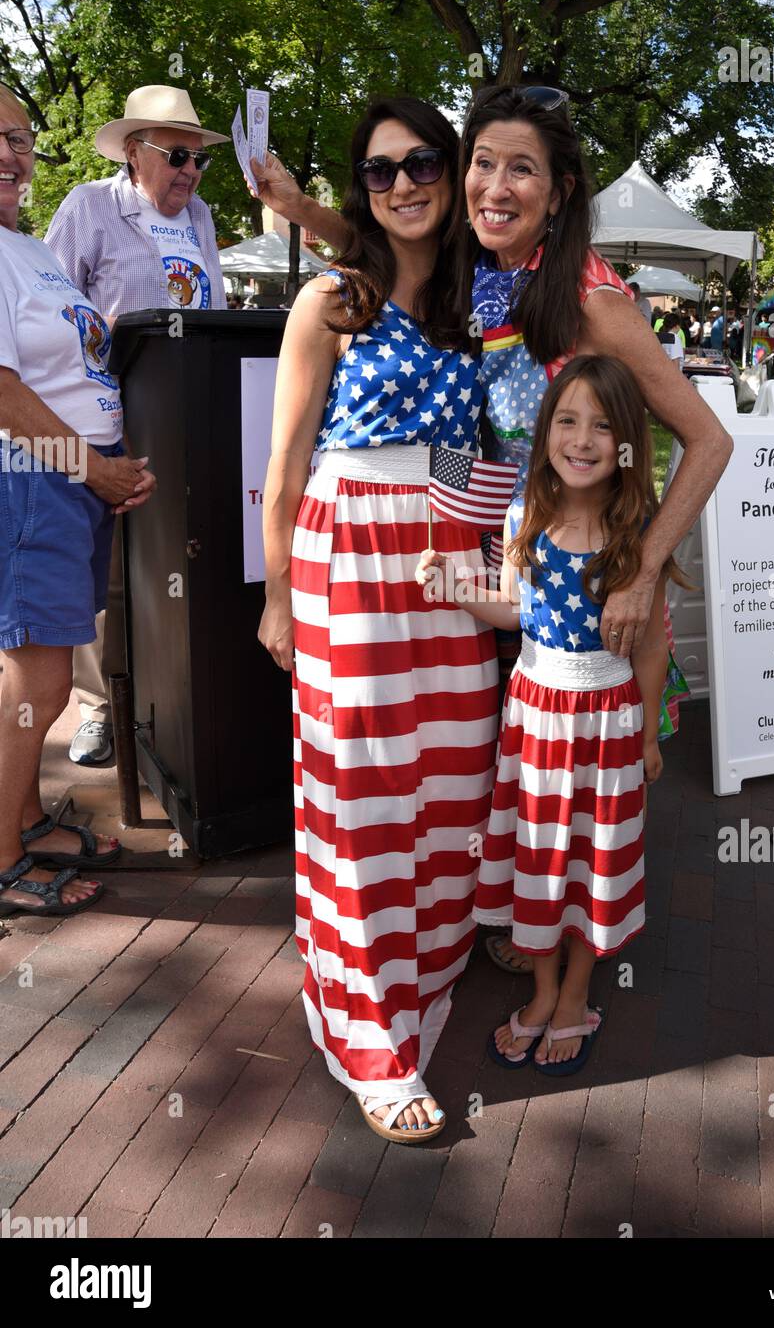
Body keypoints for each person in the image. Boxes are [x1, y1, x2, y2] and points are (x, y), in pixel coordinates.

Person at [252, 86, 731, 973]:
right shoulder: (484, 273)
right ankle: (524, 925)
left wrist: (642, 570)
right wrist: (297, 207)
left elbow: (709, 440)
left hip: (600, 578)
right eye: (482, 162)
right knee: (521, 760)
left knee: (604, 773)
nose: (493, 186)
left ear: (560, 191)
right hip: (509, 566)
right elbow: (391, 230)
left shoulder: (592, 299)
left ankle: (581, 973)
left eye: (523, 169)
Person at [257, 97, 500, 1142]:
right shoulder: (330, 299)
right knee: (357, 787)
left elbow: (460, 443)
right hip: (346, 549)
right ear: (361, 189)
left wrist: (471, 546)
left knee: (451, 776)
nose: (402, 183)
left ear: (451, 174)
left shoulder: (473, 303)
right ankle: (371, 1036)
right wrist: (276, 592)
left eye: (422, 164)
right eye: (378, 170)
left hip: (446, 553)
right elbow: (287, 459)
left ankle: (434, 955)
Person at [417, 354, 679, 1073]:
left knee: (591, 864)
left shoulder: (639, 535)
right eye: (567, 420)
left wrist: (649, 733)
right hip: (533, 721)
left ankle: (574, 996)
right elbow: (514, 611)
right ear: (545, 432)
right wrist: (453, 589)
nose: (583, 438)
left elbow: (652, 647)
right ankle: (540, 987)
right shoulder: (523, 513)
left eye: (602, 424)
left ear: (627, 441)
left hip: (608, 728)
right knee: (540, 859)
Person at [0, 83, 155, 918]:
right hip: (34, 481)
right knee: (39, 677)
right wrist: (93, 471)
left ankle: (22, 821)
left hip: (72, 481)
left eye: (17, 137)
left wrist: (113, 464)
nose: (7, 154)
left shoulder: (28, 246)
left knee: (48, 673)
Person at [45, 85, 229, 768]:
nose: (190, 171)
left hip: (191, 415)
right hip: (110, 418)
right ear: (134, 152)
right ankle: (98, 707)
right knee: (111, 565)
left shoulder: (203, 216)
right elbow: (48, 311)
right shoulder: (89, 207)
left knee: (176, 556)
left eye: (199, 160)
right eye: (178, 155)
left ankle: (171, 696)